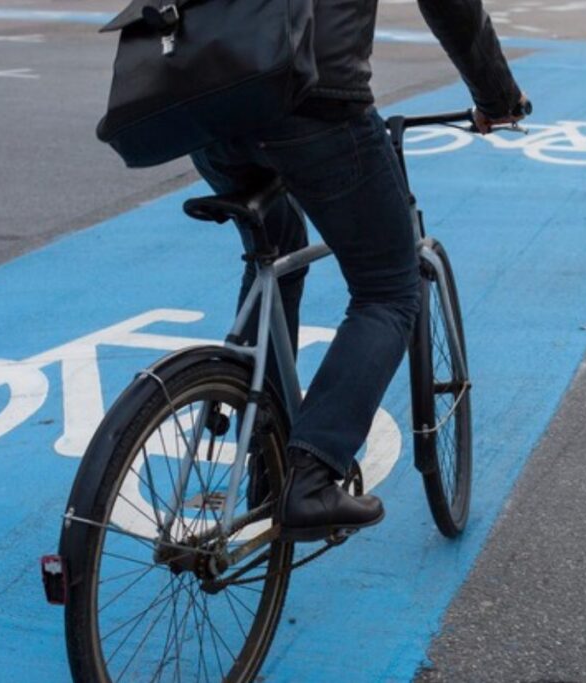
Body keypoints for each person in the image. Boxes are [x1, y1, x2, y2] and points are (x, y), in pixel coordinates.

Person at [190, 0, 527, 542]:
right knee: (388, 290)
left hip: (206, 99)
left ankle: (266, 456)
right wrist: (497, 97)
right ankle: (310, 473)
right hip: (312, 98)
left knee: (275, 251)